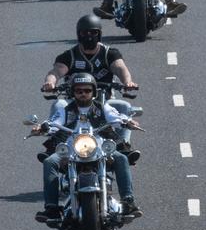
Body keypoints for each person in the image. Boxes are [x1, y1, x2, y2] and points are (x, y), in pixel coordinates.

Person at [32, 73, 142, 222]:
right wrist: (42, 128)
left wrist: (128, 121)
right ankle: (51, 208)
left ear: (94, 92)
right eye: (79, 91)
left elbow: (116, 117)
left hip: (99, 147)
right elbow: (53, 122)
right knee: (50, 162)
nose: (83, 93)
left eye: (87, 90)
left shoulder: (103, 108)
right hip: (72, 149)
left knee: (121, 158)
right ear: (73, 92)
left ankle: (128, 202)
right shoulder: (65, 110)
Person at [40, 13, 140, 161]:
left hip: (104, 100)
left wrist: (128, 82)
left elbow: (120, 68)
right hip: (74, 101)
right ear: (78, 34)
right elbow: (56, 71)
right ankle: (54, 148)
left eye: (93, 32)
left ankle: (124, 147)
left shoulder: (109, 53)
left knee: (124, 106)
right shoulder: (69, 55)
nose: (89, 36)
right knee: (58, 104)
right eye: (84, 33)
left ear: (99, 34)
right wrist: (50, 82)